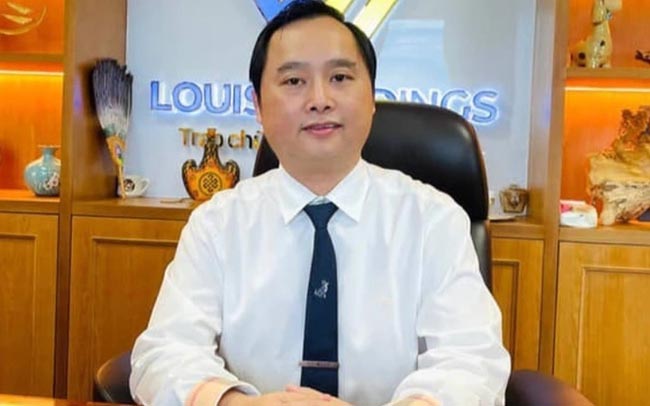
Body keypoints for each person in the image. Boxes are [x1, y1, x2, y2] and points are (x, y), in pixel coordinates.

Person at [130, 1, 510, 405]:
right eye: (294, 81)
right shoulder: (217, 225)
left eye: (340, 77)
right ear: (258, 106)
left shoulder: (433, 220)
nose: (319, 99)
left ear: (372, 97)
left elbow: (470, 363)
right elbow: (164, 354)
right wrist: (238, 404)